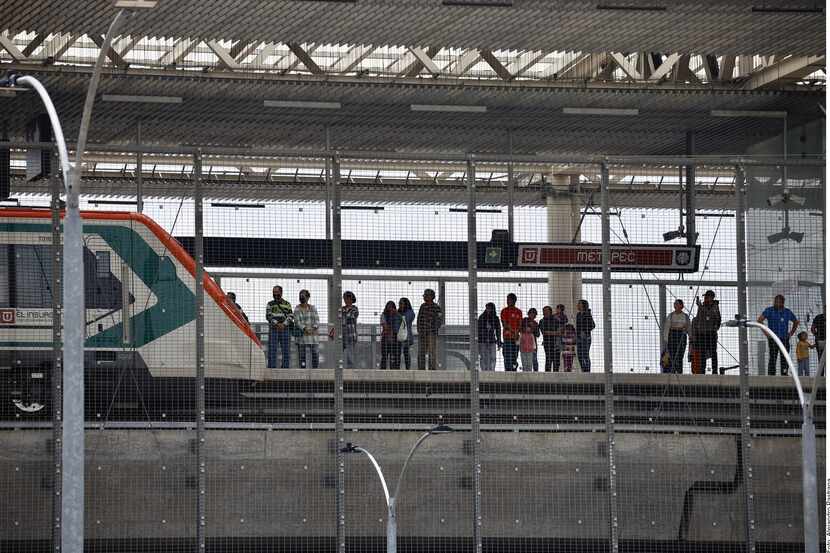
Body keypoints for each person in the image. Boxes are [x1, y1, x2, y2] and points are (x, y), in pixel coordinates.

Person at [758, 294, 799, 376]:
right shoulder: (769, 310)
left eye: (780, 302)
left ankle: (784, 373)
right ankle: (771, 375)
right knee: (773, 358)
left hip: (784, 339)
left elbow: (796, 321)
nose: (778, 303)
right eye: (776, 301)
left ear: (783, 302)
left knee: (785, 358)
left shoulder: (787, 312)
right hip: (773, 339)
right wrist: (767, 333)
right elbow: (759, 320)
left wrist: (791, 333)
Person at [691, 290, 721, 374]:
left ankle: (714, 370)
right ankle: (702, 370)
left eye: (706, 297)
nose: (704, 298)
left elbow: (716, 317)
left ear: (710, 298)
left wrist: (715, 328)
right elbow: (698, 318)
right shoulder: (702, 306)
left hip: (711, 333)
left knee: (713, 352)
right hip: (702, 333)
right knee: (702, 352)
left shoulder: (715, 306)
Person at [266, 285, 293, 369]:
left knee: (286, 350)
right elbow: (268, 316)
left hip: (285, 330)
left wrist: (284, 324)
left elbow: (291, 316)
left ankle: (285, 368)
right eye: (274, 292)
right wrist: (277, 324)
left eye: (277, 292)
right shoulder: (269, 304)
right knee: (272, 350)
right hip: (274, 329)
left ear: (281, 292)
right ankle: (272, 368)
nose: (275, 294)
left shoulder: (287, 304)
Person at [662, 299, 691, 374]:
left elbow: (688, 327)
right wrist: (666, 339)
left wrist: (691, 337)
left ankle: (679, 371)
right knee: (672, 355)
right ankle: (673, 371)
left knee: (680, 355)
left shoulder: (685, 316)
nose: (675, 305)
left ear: (681, 306)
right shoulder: (671, 315)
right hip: (672, 336)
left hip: (681, 336)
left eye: (677, 304)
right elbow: (667, 327)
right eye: (675, 304)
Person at [416, 289, 443, 370]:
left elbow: (439, 321)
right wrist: (419, 329)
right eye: (424, 295)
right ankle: (421, 369)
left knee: (432, 352)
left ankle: (432, 369)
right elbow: (419, 319)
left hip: (431, 333)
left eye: (426, 295)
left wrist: (433, 327)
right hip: (422, 333)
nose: (424, 297)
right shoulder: (422, 306)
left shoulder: (437, 307)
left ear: (431, 297)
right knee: (421, 352)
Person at [294, 289, 320, 369]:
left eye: (304, 296)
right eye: (300, 296)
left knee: (315, 354)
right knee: (302, 356)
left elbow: (317, 320)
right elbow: (297, 321)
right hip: (302, 336)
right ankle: (303, 371)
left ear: (308, 297)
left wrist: (313, 328)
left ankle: (315, 370)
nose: (302, 297)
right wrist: (305, 328)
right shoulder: (297, 309)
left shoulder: (313, 308)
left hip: (313, 336)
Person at [334, 291, 359, 369]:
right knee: (338, 354)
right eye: (344, 298)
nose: (345, 300)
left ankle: (350, 370)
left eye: (347, 298)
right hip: (341, 335)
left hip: (350, 335)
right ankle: (338, 369)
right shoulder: (342, 309)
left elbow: (350, 316)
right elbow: (339, 318)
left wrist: (343, 317)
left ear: (351, 299)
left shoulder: (355, 309)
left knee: (350, 354)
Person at [500, 293, 522, 372]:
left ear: (514, 301)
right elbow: (505, 324)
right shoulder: (504, 311)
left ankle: (514, 368)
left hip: (516, 338)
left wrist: (517, 332)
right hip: (507, 337)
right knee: (507, 355)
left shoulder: (519, 311)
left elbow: (520, 324)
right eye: (507, 300)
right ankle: (507, 371)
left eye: (509, 300)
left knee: (515, 355)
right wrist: (514, 331)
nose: (508, 301)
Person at [477, 303, 502, 371]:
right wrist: (485, 329)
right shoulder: (481, 317)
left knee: (493, 357)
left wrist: (499, 341)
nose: (488, 310)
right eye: (487, 308)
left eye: (490, 308)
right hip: (482, 340)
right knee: (483, 357)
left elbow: (498, 330)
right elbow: (478, 329)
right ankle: (484, 371)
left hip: (492, 340)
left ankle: (492, 370)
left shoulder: (495, 318)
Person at [380, 301, 403, 370]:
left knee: (394, 356)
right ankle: (382, 370)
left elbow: (402, 321)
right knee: (384, 356)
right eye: (388, 307)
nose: (390, 309)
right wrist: (390, 329)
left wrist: (396, 313)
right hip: (386, 338)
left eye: (391, 307)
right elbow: (384, 325)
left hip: (395, 338)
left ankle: (394, 370)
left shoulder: (397, 315)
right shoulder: (384, 315)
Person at [575, 300, 595, 372]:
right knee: (580, 355)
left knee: (585, 354)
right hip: (579, 337)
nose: (577, 305)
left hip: (585, 337)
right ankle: (583, 370)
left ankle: (587, 371)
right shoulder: (578, 314)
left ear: (583, 305)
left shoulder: (587, 314)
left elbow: (592, 325)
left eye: (579, 304)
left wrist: (585, 332)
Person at [398, 298, 416, 370]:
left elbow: (405, 319)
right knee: (397, 353)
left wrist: (396, 314)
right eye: (399, 303)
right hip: (398, 336)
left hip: (406, 336)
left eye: (401, 303)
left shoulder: (410, 312)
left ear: (406, 304)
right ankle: (397, 368)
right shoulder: (398, 311)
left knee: (406, 352)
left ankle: (408, 368)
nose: (400, 305)